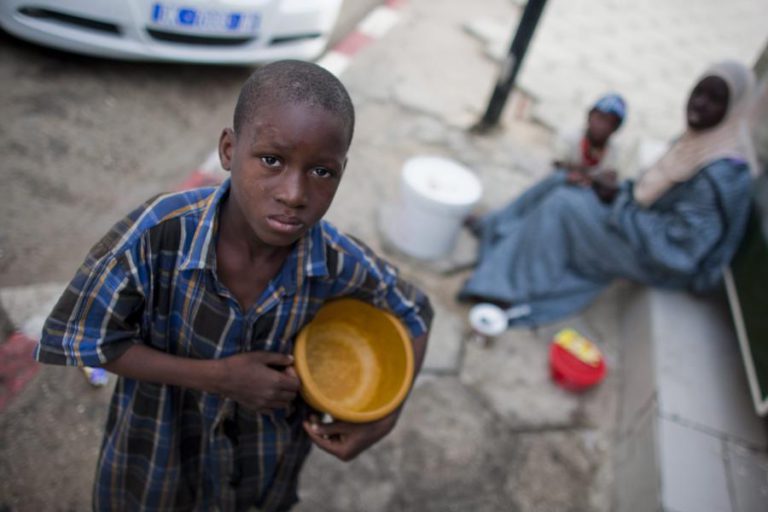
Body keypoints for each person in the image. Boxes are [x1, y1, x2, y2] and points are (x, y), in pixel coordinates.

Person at [35, 60, 433, 511]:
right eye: (271, 160)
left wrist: (383, 420)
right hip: (154, 465)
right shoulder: (157, 235)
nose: (294, 193)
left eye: (322, 171)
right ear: (228, 149)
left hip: (260, 477)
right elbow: (89, 337)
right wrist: (219, 378)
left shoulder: (338, 261)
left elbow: (416, 312)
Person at [458, 60, 758, 327]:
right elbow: (650, 192)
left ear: (734, 110)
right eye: (699, 93)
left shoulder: (716, 173)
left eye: (716, 100)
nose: (701, 104)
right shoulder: (700, 140)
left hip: (654, 260)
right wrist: (616, 192)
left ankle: (506, 291)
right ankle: (496, 228)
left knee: (563, 205)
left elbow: (678, 254)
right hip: (636, 223)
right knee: (564, 180)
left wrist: (620, 205)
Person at [552, 92, 627, 179]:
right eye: (600, 118)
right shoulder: (569, 138)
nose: (602, 126)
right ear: (589, 116)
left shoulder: (615, 154)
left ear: (615, 128)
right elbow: (555, 166)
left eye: (610, 123)